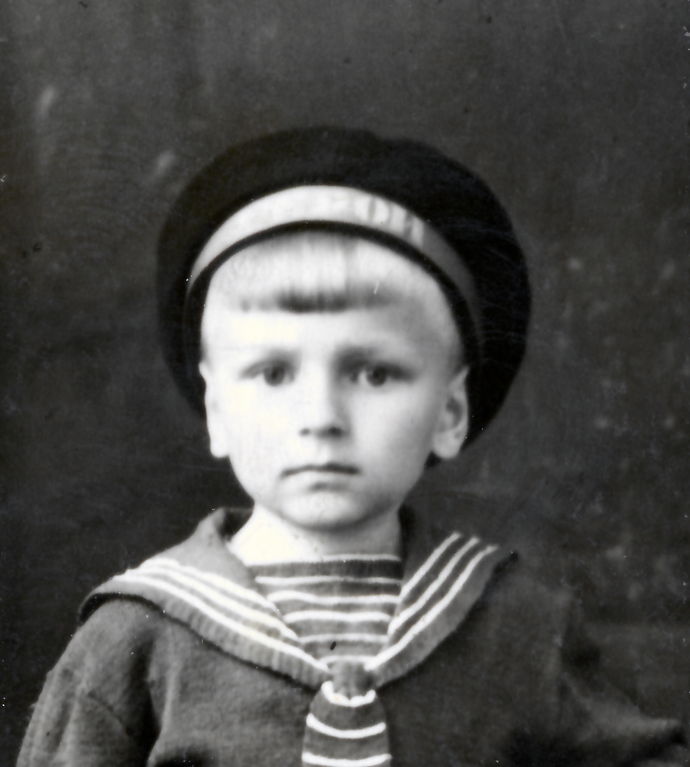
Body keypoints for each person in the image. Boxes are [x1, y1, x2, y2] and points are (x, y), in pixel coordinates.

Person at [18, 128, 687, 766]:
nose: (321, 417)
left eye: (374, 373)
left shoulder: (515, 623)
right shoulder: (135, 639)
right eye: (274, 373)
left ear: (450, 412)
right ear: (217, 410)